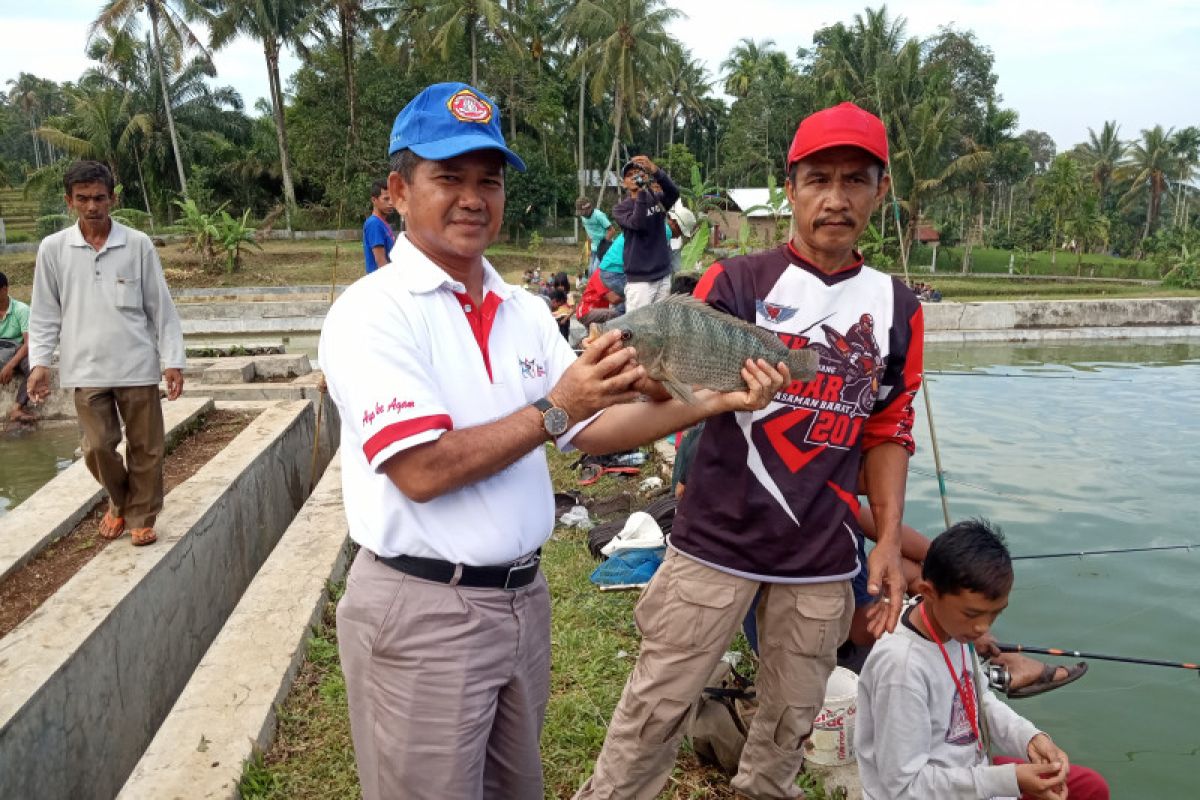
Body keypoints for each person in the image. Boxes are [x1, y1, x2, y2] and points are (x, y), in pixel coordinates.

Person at [318, 81, 790, 800]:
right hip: (423, 609)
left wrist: (715, 401)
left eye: (489, 180)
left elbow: (594, 426)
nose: (473, 197)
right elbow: (420, 469)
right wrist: (553, 408)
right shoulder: (371, 314)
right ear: (397, 191)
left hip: (521, 600)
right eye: (448, 177)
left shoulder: (521, 311)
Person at [575, 101, 923, 800]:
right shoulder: (735, 283)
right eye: (817, 178)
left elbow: (887, 431)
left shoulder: (899, 307)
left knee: (788, 730)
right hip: (713, 543)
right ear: (789, 188)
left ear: (880, 193)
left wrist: (887, 539)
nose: (835, 197)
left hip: (821, 560)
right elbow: (673, 389)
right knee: (651, 713)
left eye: (855, 180)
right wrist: (647, 379)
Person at [856, 519, 1110, 799]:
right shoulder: (901, 667)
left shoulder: (955, 631)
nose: (983, 628)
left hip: (971, 770)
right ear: (928, 593)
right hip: (926, 791)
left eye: (995, 613)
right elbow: (904, 787)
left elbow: (980, 702)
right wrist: (1008, 780)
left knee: (1090, 787)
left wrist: (1028, 739)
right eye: (972, 614)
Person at [27, 160, 185, 547]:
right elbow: (45, 311)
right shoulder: (54, 249)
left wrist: (172, 361)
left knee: (146, 447)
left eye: (99, 197)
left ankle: (141, 516)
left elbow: (160, 306)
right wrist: (40, 363)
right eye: (82, 199)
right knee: (97, 446)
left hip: (136, 364)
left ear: (112, 198)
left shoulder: (137, 244)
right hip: (85, 367)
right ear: (69, 202)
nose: (92, 206)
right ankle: (119, 501)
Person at [612, 155, 679, 311]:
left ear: (645, 176)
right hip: (640, 282)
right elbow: (638, 223)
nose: (635, 176)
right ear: (624, 183)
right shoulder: (620, 209)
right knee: (636, 328)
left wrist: (656, 171)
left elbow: (674, 193)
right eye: (629, 175)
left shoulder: (657, 200)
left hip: (663, 276)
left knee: (661, 325)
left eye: (638, 172)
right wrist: (642, 193)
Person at [0, 271, 35, 424]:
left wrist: (10, 365)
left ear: (5, 289)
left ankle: (17, 407)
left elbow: (29, 343)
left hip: (16, 350)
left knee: (33, 365)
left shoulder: (21, 310)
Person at [363, 179, 396, 274]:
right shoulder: (374, 224)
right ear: (374, 200)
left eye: (392, 198)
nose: (391, 203)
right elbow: (381, 262)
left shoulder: (383, 223)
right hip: (380, 282)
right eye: (386, 199)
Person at [576, 197, 611, 274]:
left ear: (588, 208)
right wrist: (588, 247)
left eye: (583, 213)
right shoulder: (583, 217)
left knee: (595, 271)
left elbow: (611, 230)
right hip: (593, 248)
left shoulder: (599, 215)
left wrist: (604, 246)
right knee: (589, 271)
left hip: (602, 248)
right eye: (580, 213)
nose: (582, 215)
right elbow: (588, 232)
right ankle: (592, 285)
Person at [667, 202, 698, 274]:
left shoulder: (660, 227)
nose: (678, 236)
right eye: (680, 232)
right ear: (675, 222)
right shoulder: (665, 233)